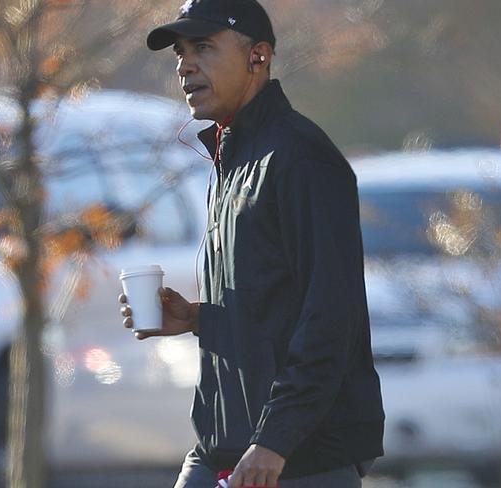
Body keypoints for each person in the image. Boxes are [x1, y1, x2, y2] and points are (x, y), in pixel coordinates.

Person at [119, 0, 385, 486]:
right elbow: (274, 304)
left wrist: (275, 441)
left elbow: (331, 315)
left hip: (297, 459)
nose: (185, 66)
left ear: (258, 55)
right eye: (180, 52)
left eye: (203, 46)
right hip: (223, 447)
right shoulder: (233, 154)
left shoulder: (301, 158)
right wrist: (201, 317)